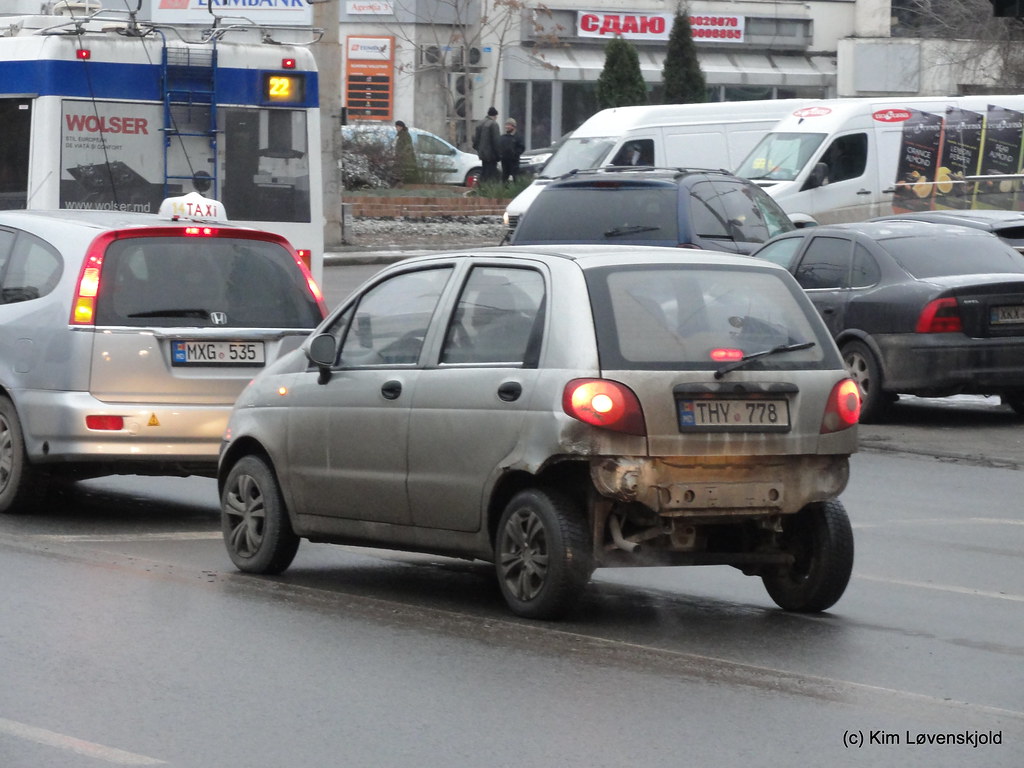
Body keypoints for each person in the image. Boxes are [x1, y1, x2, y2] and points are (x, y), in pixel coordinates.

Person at [472, 106, 501, 184]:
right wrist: (499, 155)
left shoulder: (479, 123)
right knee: (492, 175)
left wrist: (479, 149)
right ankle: (489, 188)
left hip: (482, 154)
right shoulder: (494, 124)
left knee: (484, 172)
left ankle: (481, 187)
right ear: (495, 115)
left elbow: (475, 139)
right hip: (491, 155)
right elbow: (496, 141)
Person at [498, 117, 525, 184]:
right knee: (504, 178)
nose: (507, 127)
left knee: (515, 177)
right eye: (506, 125)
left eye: (508, 125)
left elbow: (522, 147)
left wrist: (515, 154)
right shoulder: (503, 137)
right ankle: (504, 189)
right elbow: (499, 147)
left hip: (514, 161)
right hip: (504, 161)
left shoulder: (518, 137)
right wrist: (501, 155)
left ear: (513, 126)